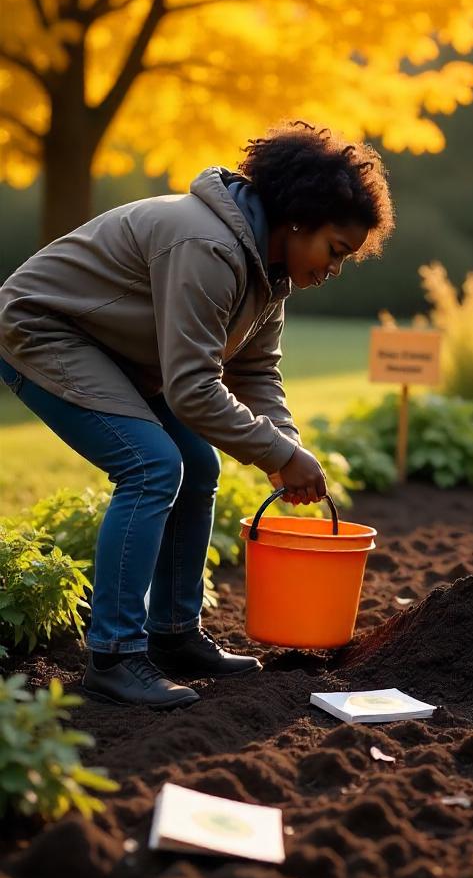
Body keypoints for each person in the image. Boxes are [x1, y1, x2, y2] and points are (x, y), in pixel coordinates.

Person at [0, 122, 394, 708]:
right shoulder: (206, 245)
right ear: (297, 219)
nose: (334, 268)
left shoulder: (269, 274)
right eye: (335, 250)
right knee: (152, 465)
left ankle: (174, 635)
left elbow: (256, 373)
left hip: (123, 351)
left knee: (197, 465)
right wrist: (281, 454)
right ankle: (113, 656)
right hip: (43, 328)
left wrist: (283, 447)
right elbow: (191, 388)